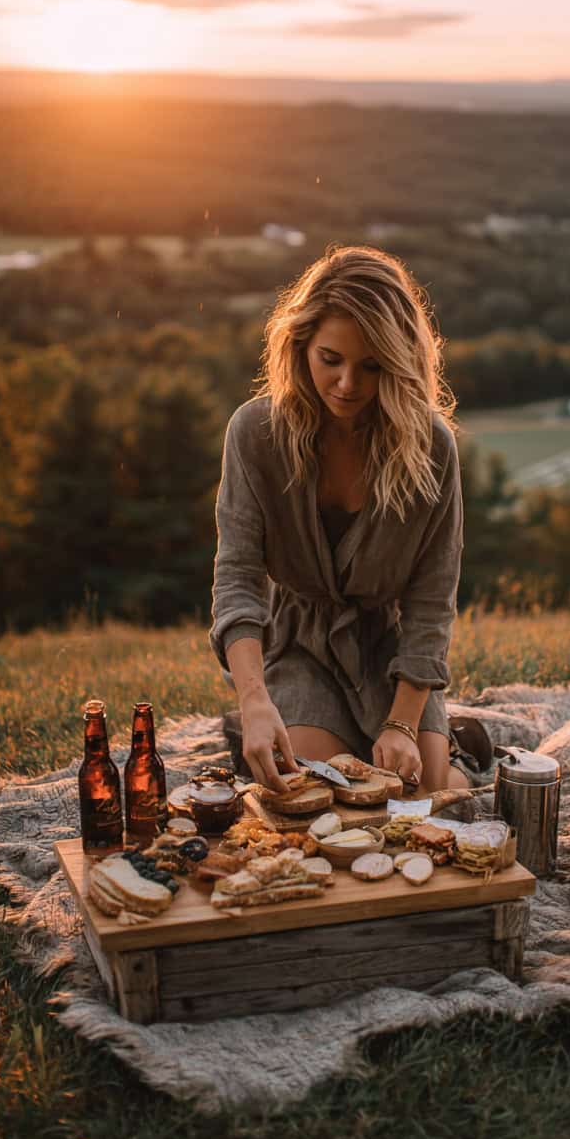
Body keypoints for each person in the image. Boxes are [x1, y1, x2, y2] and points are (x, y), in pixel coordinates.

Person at [209, 244, 466, 796]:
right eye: (331, 359)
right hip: (297, 646)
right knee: (321, 797)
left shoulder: (432, 447)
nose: (348, 384)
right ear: (301, 346)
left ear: (398, 363)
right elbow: (237, 579)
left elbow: (432, 599)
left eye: (372, 366)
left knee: (419, 800)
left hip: (388, 650)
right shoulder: (253, 434)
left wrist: (402, 722)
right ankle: (276, 718)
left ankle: (448, 748)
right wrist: (253, 702)